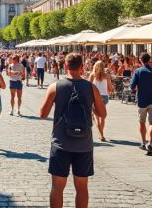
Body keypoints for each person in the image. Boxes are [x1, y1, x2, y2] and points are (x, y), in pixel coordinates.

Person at [39, 53, 106, 208]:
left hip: (61, 143)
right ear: (82, 67)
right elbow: (103, 113)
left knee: (57, 187)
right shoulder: (91, 87)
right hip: (84, 144)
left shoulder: (55, 86)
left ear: (65, 66)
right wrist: (91, 107)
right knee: (82, 187)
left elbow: (42, 114)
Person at [129, 53, 152, 155]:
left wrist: (136, 88)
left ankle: (144, 142)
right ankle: (150, 144)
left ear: (140, 60)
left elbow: (132, 87)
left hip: (142, 101)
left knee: (142, 122)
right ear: (150, 60)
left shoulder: (138, 71)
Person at [88, 60, 110, 142]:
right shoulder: (106, 75)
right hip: (104, 97)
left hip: (94, 97)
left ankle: (101, 135)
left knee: (96, 117)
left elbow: (88, 86)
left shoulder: (92, 75)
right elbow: (110, 87)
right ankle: (101, 134)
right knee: (102, 117)